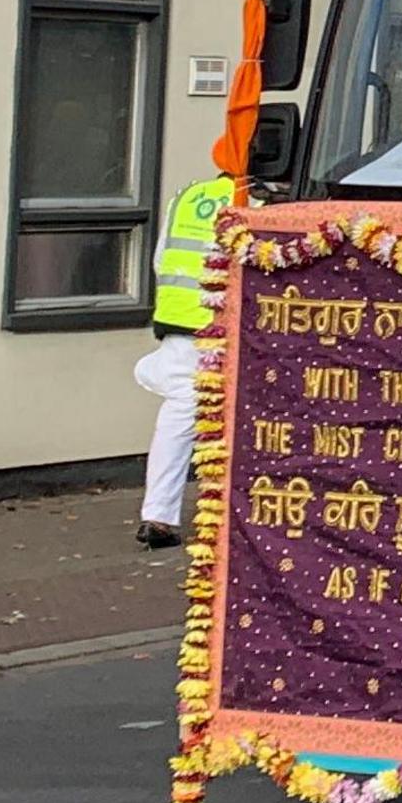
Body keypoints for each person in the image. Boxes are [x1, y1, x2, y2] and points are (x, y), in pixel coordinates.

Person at [133, 169, 241, 546]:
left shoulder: (189, 194)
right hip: (227, 323)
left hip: (180, 319)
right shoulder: (253, 199)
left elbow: (162, 258)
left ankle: (158, 516)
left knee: (179, 418)